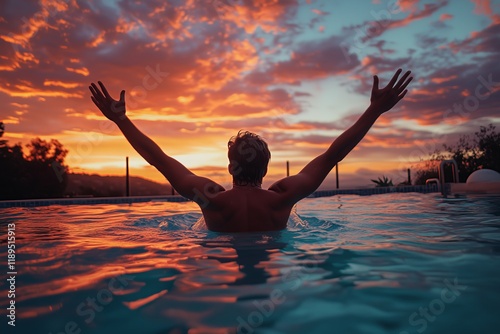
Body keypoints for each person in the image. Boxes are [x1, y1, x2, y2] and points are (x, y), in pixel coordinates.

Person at [89, 68, 413, 232]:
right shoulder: (283, 197)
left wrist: (121, 121)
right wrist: (374, 111)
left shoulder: (211, 198)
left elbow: (159, 159)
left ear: (231, 167)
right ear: (267, 169)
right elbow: (333, 155)